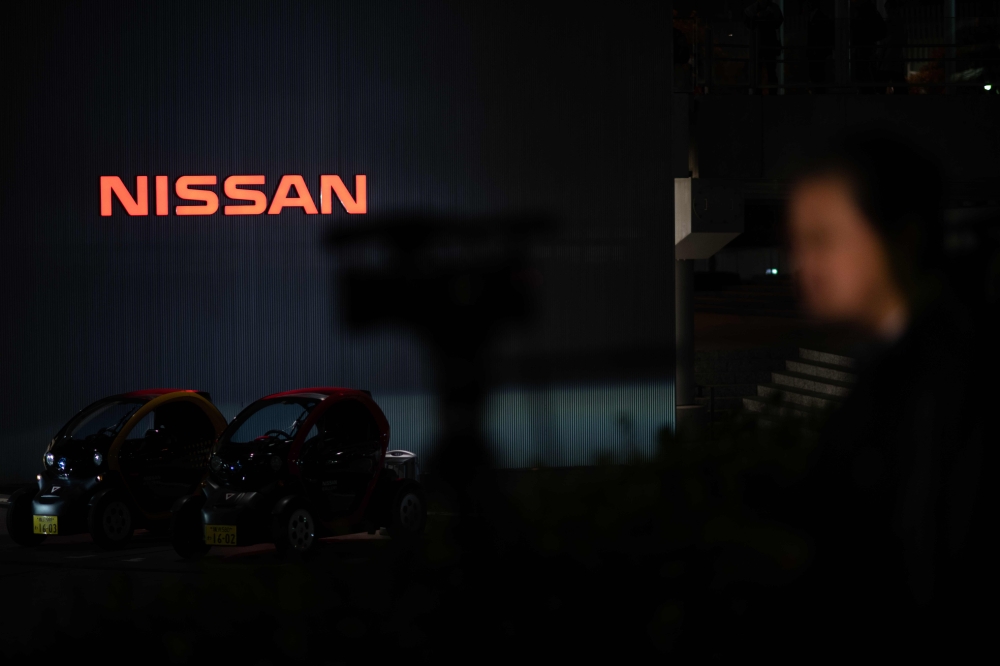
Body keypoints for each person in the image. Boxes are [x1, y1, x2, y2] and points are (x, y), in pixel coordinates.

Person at [757, 127, 995, 657]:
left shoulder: (945, 374)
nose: (804, 268)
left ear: (901, 237)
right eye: (796, 243)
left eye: (823, 240)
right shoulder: (909, 357)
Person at [743, 0, 783, 93]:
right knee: (771, 70)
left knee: (758, 69)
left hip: (758, 43)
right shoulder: (773, 8)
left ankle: (757, 92)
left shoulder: (752, 9)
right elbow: (779, 21)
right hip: (770, 43)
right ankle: (773, 93)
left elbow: (748, 22)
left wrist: (757, 18)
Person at [850, 0, 887, 92]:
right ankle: (870, 91)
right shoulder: (871, 11)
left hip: (863, 47)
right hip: (868, 47)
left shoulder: (861, 12)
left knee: (863, 71)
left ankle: (867, 91)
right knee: (866, 71)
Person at [806, 0, 835, 92]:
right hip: (817, 52)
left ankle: (818, 92)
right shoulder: (819, 16)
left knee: (817, 74)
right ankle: (819, 91)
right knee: (818, 74)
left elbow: (818, 35)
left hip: (817, 52)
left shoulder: (818, 17)